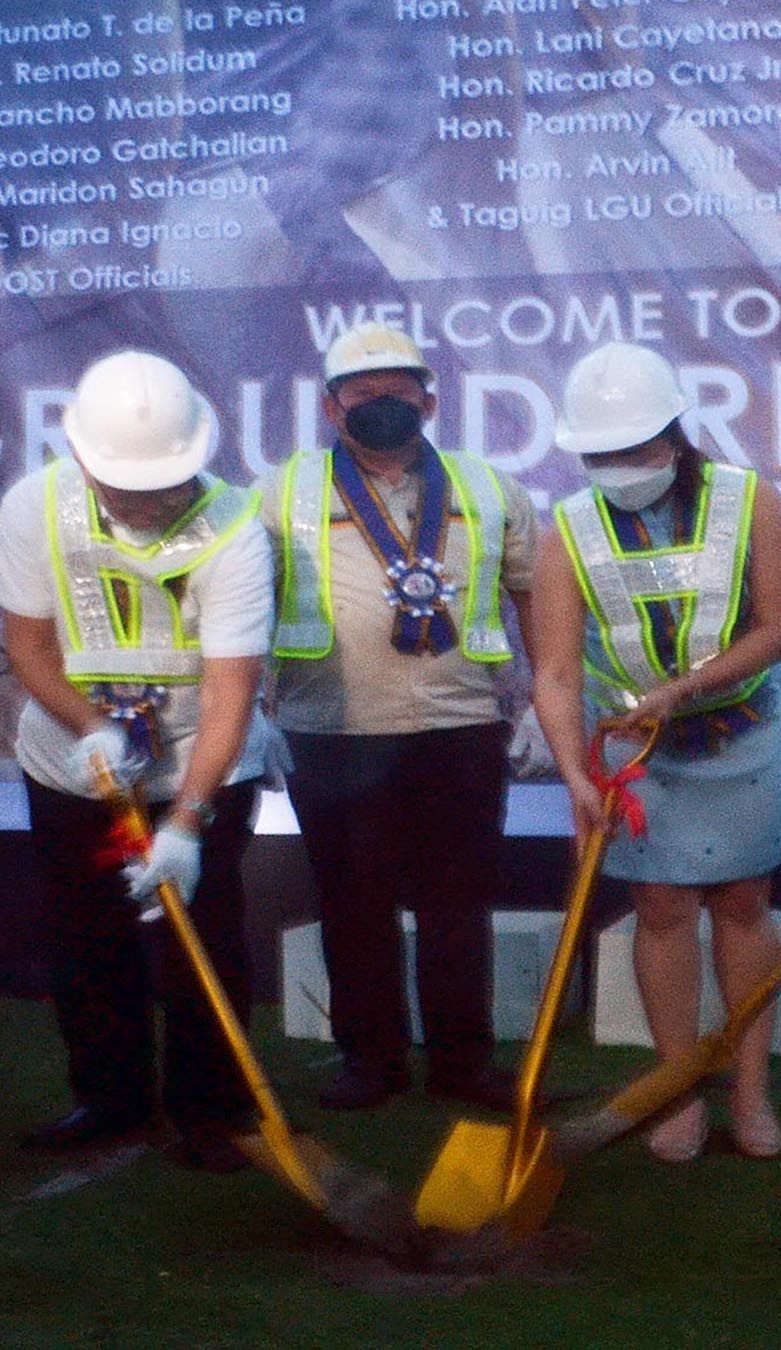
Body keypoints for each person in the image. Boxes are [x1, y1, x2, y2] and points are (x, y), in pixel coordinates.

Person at [0, 350, 276, 1170]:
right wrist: (88, 726)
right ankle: (107, 1098)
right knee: (87, 934)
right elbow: (28, 643)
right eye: (129, 486)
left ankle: (212, 1110)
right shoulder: (30, 507)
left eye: (167, 483)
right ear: (82, 458)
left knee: (203, 932)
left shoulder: (235, 525)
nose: (150, 500)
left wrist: (186, 823)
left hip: (201, 757)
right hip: (73, 762)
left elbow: (230, 691)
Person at [530, 342, 781, 1161]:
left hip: (743, 727)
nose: (619, 467)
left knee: (743, 902)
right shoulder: (566, 534)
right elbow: (551, 670)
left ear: (676, 435)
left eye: (636, 450)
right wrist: (574, 775)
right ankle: (677, 1087)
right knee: (661, 907)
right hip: (638, 752)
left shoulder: (749, 500)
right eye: (600, 454)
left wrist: (687, 690)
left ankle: (751, 1090)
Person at [259, 322, 535, 1113]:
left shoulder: (488, 487)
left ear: (430, 398)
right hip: (333, 730)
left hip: (461, 728)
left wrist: (548, 705)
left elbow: (535, 594)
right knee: (353, 903)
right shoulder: (280, 492)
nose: (380, 402)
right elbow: (236, 603)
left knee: (458, 906)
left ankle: (463, 1066)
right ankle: (369, 1063)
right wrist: (247, 707)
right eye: (361, 391)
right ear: (330, 405)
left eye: (397, 390)